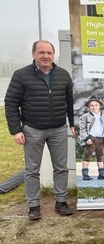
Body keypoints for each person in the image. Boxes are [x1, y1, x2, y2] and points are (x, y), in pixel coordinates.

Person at [5, 40, 76, 220]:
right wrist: (16, 130)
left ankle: (61, 202)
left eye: (49, 53)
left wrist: (73, 123)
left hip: (59, 129)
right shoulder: (21, 75)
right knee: (32, 170)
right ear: (33, 54)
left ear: (53, 55)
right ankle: (33, 205)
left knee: (61, 168)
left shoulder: (63, 75)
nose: (46, 56)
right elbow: (11, 103)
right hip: (32, 130)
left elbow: (70, 102)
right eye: (41, 52)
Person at [78, 95, 104, 180]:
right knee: (87, 156)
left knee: (100, 157)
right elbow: (82, 129)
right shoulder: (85, 117)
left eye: (96, 105)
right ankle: (85, 174)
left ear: (99, 106)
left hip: (101, 139)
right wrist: (86, 138)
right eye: (92, 106)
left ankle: (101, 173)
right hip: (91, 139)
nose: (94, 107)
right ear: (88, 107)